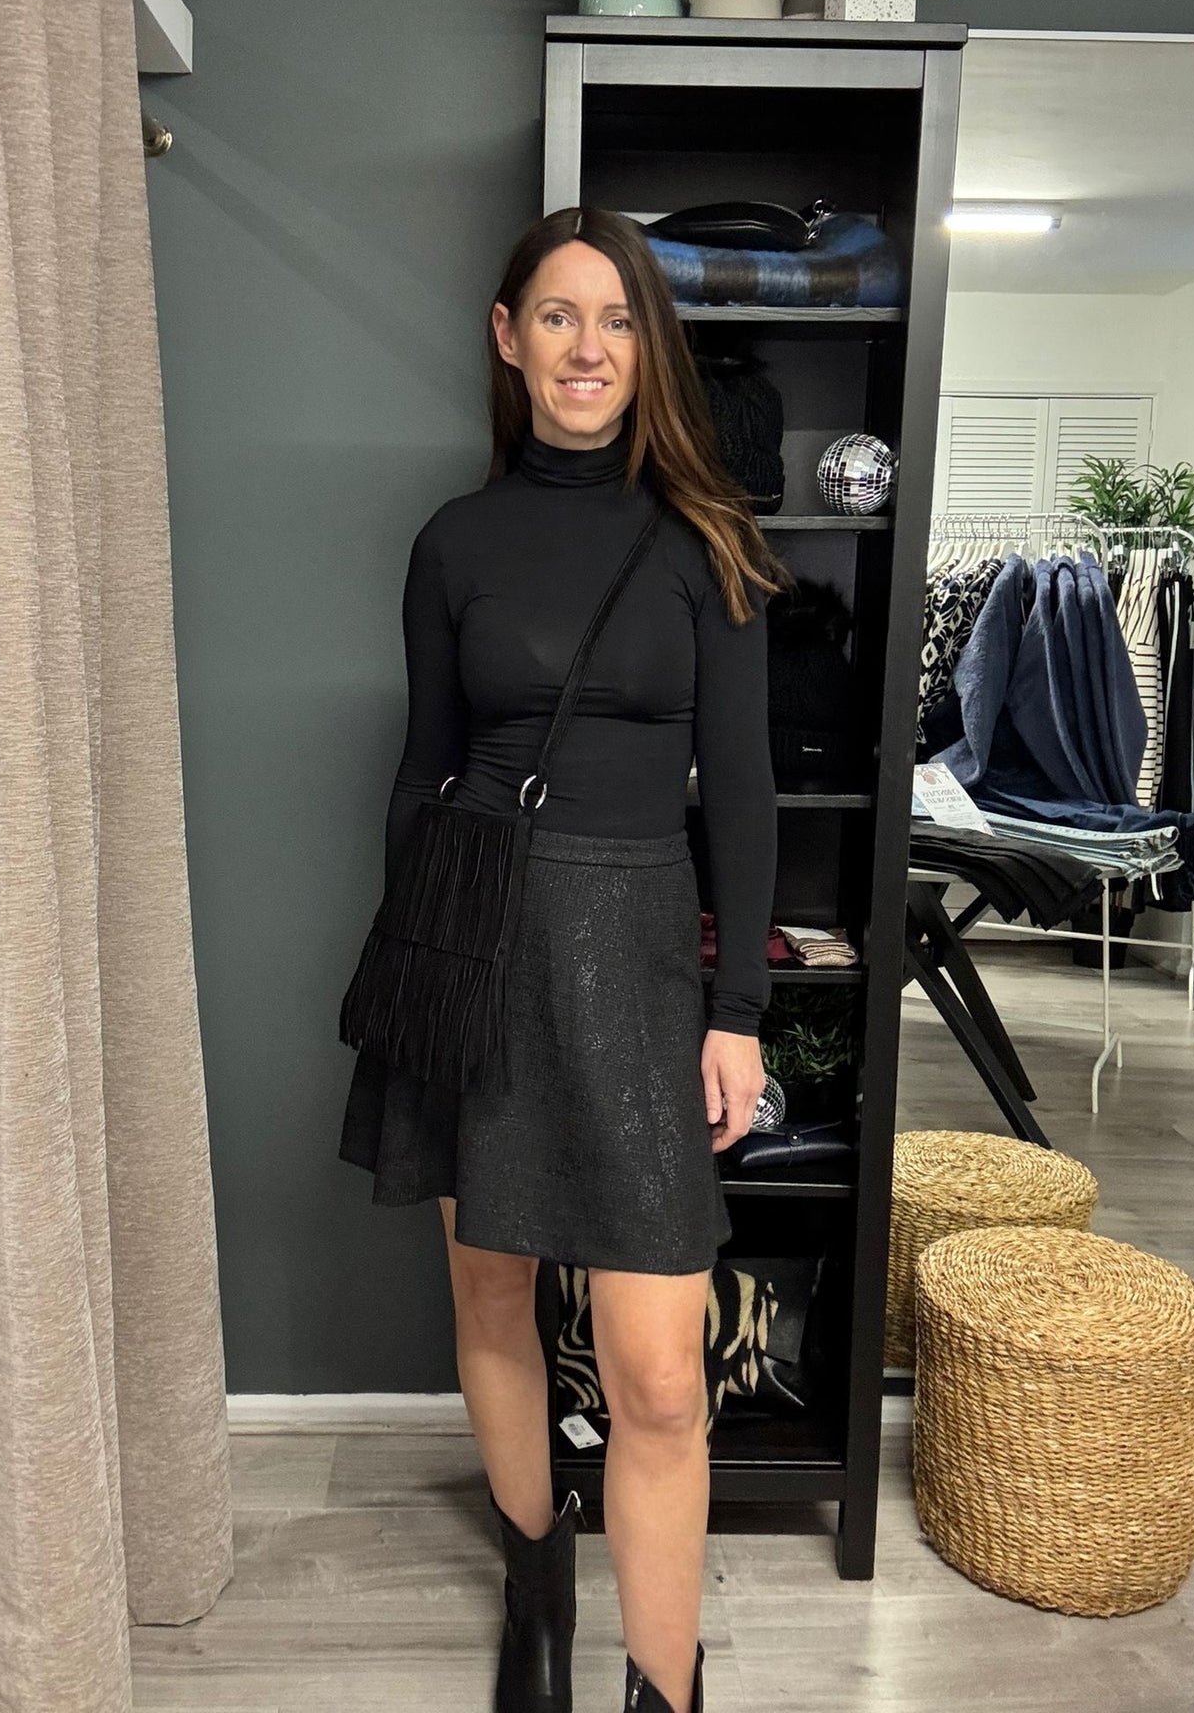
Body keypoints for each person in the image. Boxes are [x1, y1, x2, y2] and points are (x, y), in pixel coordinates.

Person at [339, 205, 785, 1713]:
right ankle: (536, 1590)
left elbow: (743, 795)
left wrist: (737, 1012)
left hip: (637, 955)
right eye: (556, 315)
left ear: (646, 349)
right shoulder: (452, 544)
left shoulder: (706, 544)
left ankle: (665, 1688)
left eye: (616, 319)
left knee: (656, 1371)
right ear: (507, 336)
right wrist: (414, 968)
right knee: (490, 1297)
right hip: (469, 944)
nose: (587, 348)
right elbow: (423, 770)